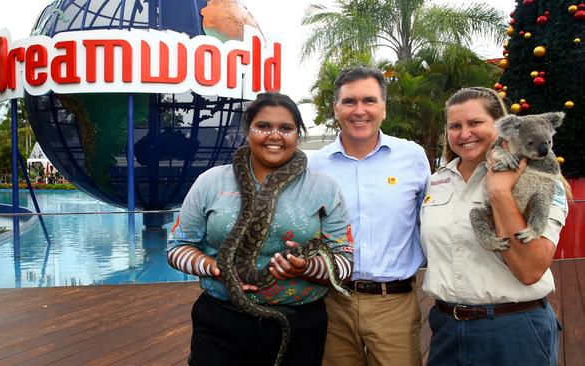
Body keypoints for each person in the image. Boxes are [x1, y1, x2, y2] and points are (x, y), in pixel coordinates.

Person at [166, 92, 354, 366]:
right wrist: (216, 267)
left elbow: (345, 262)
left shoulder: (323, 188)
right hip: (221, 321)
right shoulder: (210, 182)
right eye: (263, 126)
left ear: (297, 134)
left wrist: (305, 267)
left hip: (301, 323)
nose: (274, 135)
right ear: (248, 130)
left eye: (286, 128)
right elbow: (176, 248)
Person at [420, 87, 568, 365]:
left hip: (514, 327)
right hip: (446, 328)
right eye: (455, 126)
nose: (464, 134)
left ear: (502, 126)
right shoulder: (435, 182)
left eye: (475, 123)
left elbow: (530, 269)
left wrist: (500, 192)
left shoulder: (539, 176)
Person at [308, 65, 431, 365]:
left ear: (384, 108)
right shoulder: (313, 166)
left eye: (369, 101)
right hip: (331, 303)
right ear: (335, 108)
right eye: (349, 101)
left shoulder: (412, 157)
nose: (359, 110)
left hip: (395, 304)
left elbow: (427, 221)